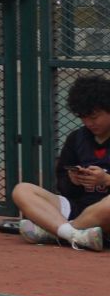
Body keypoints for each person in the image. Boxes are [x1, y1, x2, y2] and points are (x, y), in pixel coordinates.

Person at [11, 74, 110, 250]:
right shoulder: (76, 138)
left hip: (104, 212)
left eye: (94, 117)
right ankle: (74, 234)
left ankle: (55, 232)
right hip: (78, 208)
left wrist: (105, 179)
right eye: (83, 117)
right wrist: (73, 180)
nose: (89, 123)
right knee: (22, 190)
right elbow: (63, 186)